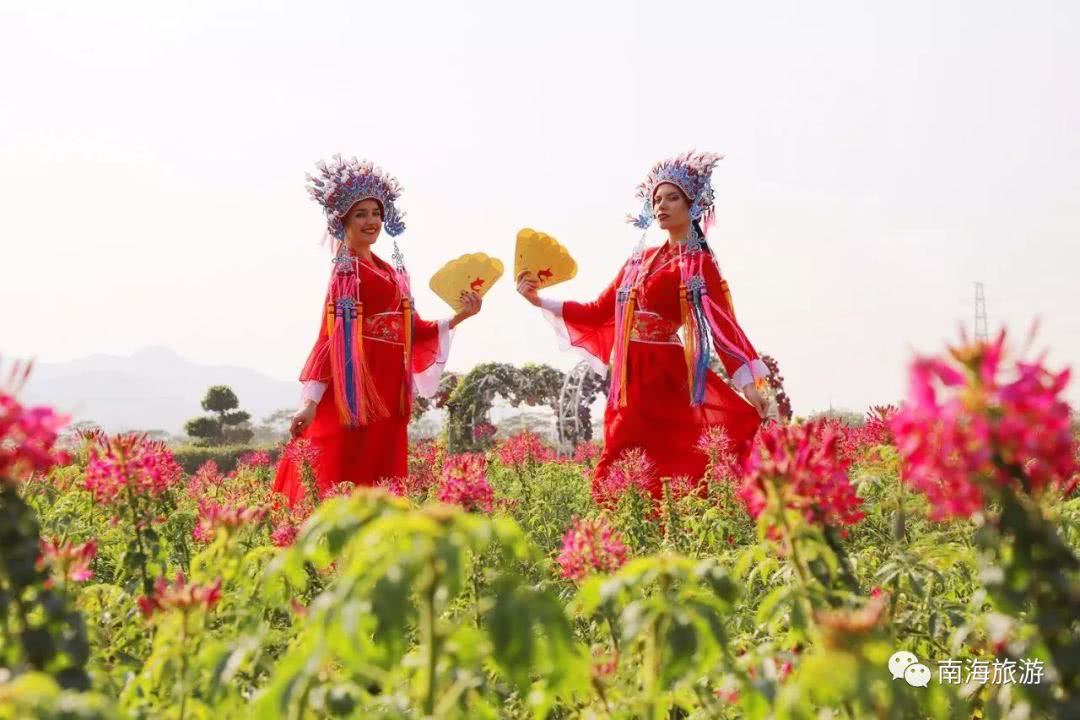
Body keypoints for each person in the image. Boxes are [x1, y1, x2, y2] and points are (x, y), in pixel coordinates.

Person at [517, 151, 769, 499]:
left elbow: (723, 326)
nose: (662, 205)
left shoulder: (698, 265)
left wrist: (749, 382)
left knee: (667, 455)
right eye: (657, 199)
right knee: (620, 453)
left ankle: (669, 529)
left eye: (672, 197)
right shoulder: (639, 260)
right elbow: (597, 310)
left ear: (692, 204)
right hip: (628, 375)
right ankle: (618, 538)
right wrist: (539, 299)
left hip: (665, 374)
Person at [273, 156, 480, 504]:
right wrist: (310, 401)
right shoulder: (346, 269)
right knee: (347, 468)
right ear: (343, 221)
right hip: (358, 384)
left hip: (388, 386)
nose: (372, 221)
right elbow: (330, 336)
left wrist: (460, 316)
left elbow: (412, 330)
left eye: (376, 213)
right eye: (361, 214)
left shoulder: (386, 268)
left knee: (381, 471)